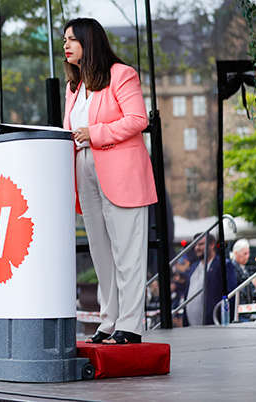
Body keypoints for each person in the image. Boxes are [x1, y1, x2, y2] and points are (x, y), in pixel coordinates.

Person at [63, 18, 157, 344]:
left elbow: (137, 119)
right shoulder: (74, 87)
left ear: (90, 42)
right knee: (101, 252)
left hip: (121, 171)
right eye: (65, 40)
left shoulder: (122, 74)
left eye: (72, 39)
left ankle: (130, 325)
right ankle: (108, 321)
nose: (66, 45)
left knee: (127, 252)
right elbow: (70, 132)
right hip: (84, 169)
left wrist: (95, 133)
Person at [183, 234, 237, 326]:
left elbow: (231, 294)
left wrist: (224, 321)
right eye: (195, 245)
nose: (197, 248)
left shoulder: (223, 265)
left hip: (213, 325)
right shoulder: (194, 267)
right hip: (192, 327)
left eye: (201, 244)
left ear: (212, 245)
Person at [227, 239, 256, 305]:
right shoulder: (232, 268)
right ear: (236, 253)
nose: (247, 256)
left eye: (248, 253)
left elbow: (252, 290)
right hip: (239, 308)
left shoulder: (244, 269)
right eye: (245, 253)